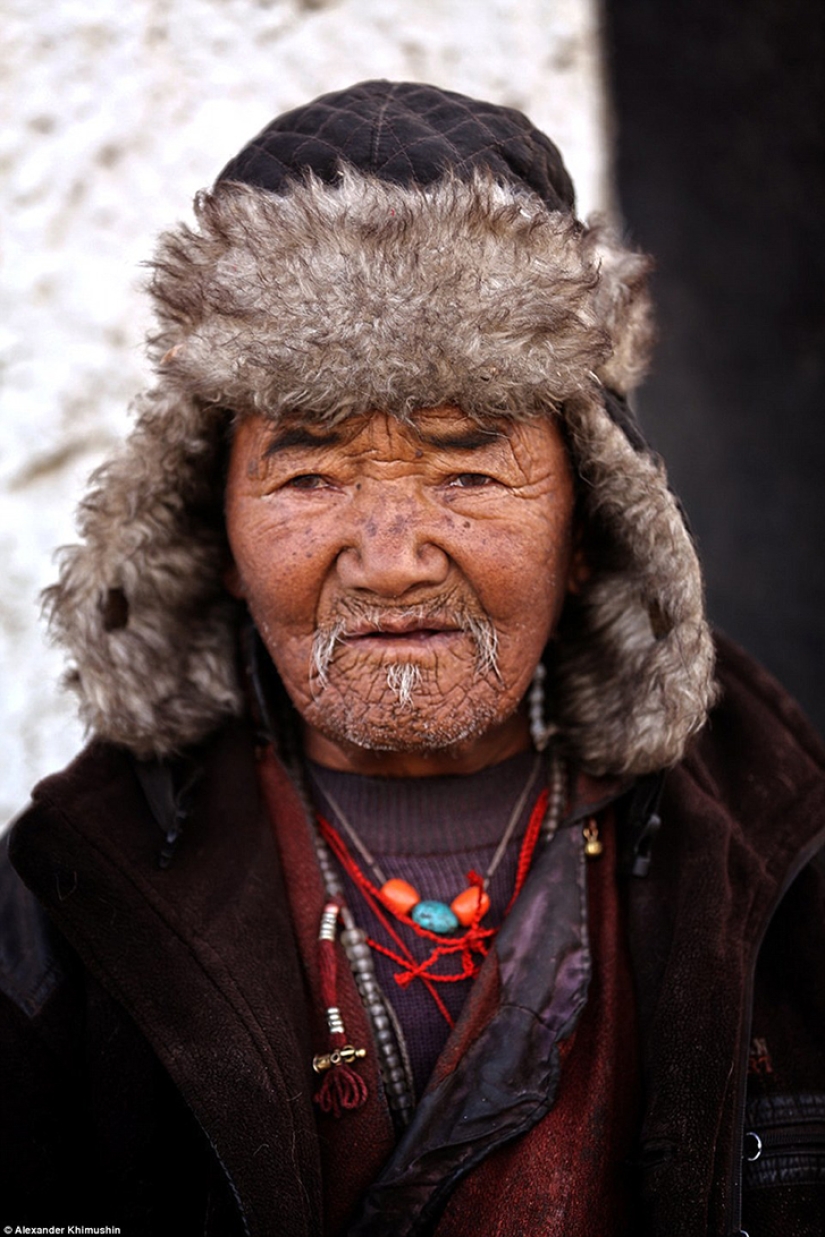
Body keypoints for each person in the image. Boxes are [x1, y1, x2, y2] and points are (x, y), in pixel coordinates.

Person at [1, 80, 823, 1237]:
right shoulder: (66, 905)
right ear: (213, 536)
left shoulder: (777, 849)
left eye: (468, 470)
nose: (390, 562)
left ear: (589, 525)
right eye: (311, 474)